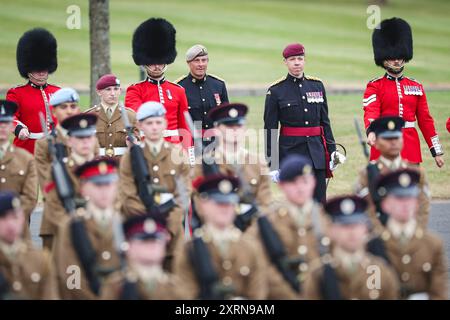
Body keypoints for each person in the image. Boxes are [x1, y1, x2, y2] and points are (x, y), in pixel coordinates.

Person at [264, 43, 343, 203]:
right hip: (290, 153)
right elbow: (270, 129)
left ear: (304, 60)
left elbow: (325, 122)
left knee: (320, 201)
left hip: (317, 153)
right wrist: (272, 163)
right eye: (292, 59)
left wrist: (332, 151)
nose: (297, 62)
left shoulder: (317, 85)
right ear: (285, 62)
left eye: (300, 58)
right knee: (296, 200)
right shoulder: (276, 91)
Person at [119, 101, 191, 270]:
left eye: (158, 122)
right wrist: (147, 225)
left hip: (172, 233)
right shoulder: (131, 157)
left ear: (165, 123)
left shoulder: (177, 153)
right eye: (149, 123)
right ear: (140, 126)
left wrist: (168, 227)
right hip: (139, 231)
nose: (154, 127)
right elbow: (127, 194)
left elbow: (183, 194)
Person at [245, 155, 329, 299]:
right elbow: (253, 260)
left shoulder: (328, 219)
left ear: (313, 182)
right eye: (293, 183)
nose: (300, 188)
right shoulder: (268, 221)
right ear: (281, 185)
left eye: (304, 181)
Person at [364, 17, 444, 168]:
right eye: (392, 58)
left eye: (399, 57)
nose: (396, 61)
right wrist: (371, 132)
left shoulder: (416, 86)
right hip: (383, 144)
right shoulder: (375, 86)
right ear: (384, 59)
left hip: (410, 148)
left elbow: (425, 120)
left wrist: (436, 151)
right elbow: (371, 111)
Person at [173, 173, 268, 299]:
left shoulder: (250, 247)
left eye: (229, 204)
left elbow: (258, 293)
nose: (225, 209)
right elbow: (184, 294)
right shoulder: (190, 248)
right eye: (219, 203)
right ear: (203, 205)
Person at [370, 169, 448, 299]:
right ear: (385, 205)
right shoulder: (374, 245)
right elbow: (373, 293)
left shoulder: (433, 244)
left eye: (410, 198)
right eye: (399, 198)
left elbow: (439, 293)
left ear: (417, 203)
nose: (405, 204)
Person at [303, 195, 399, 300]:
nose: (352, 232)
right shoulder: (319, 274)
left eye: (356, 225)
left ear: (365, 228)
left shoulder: (381, 271)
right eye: (345, 226)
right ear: (331, 230)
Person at [53, 158, 122, 299]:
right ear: (84, 189)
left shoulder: (123, 223)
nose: (104, 191)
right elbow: (71, 275)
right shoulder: (72, 225)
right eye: (97, 185)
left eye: (108, 184)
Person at [125, 18, 192, 151]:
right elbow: (136, 119)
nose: (156, 66)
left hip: (175, 148)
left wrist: (187, 152)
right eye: (152, 62)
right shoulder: (135, 90)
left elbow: (184, 127)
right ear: (144, 62)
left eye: (160, 61)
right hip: (147, 147)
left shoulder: (178, 90)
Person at [354, 116, 430, 228]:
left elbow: (423, 206)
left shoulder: (415, 172)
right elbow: (366, 210)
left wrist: (415, 232)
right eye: (387, 139)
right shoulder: (366, 174)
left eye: (397, 137)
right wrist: (385, 236)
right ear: (377, 142)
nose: (393, 142)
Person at [40, 114, 99, 250]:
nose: (85, 142)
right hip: (67, 237)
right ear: (70, 141)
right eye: (79, 137)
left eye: (89, 137)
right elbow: (53, 207)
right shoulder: (59, 171)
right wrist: (74, 227)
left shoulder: (104, 169)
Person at [100, 213, 189, 300]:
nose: (152, 246)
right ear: (129, 246)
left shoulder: (176, 288)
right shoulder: (115, 287)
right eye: (144, 240)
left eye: (156, 240)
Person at [6, 28, 60, 155]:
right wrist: (19, 129)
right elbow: (9, 117)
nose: (41, 72)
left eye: (44, 68)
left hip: (54, 149)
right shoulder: (17, 93)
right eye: (37, 69)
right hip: (27, 149)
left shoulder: (58, 92)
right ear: (28, 70)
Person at [0, 191, 58, 299]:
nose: (10, 225)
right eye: (3, 218)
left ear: (22, 219)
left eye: (14, 217)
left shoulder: (40, 258)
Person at [175, 44, 229, 144]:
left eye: (204, 60)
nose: (201, 64)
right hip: (191, 144)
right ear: (188, 63)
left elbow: (226, 119)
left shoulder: (218, 85)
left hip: (215, 143)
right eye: (197, 60)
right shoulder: (179, 87)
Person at [0, 100, 38, 238]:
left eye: (6, 123)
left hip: (17, 228)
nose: (2, 128)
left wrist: (11, 217)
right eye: (0, 123)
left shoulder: (25, 159)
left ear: (12, 126)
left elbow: (31, 197)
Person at [85, 74, 138, 158]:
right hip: (98, 163)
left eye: (116, 89)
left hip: (122, 163)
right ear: (99, 92)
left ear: (120, 90)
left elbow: (138, 143)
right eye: (108, 89)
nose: (113, 93)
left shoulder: (130, 116)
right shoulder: (89, 116)